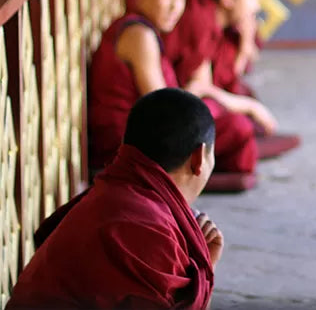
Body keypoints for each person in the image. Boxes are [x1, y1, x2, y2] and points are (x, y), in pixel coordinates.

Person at [8, 89, 220, 309]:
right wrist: (202, 272)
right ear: (198, 158)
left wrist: (204, 265)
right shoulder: (150, 226)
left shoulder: (115, 193)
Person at [90, 0, 257, 191]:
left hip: (140, 138)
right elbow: (164, 111)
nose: (174, 7)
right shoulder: (139, 35)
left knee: (226, 122)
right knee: (237, 126)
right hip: (124, 147)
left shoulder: (147, 31)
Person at [163, 0, 301, 159]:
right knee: (238, 125)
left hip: (195, 100)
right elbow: (197, 89)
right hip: (176, 110)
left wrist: (245, 44)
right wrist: (250, 107)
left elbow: (226, 80)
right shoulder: (200, 17)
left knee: (243, 108)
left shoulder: (220, 26)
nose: (257, 7)